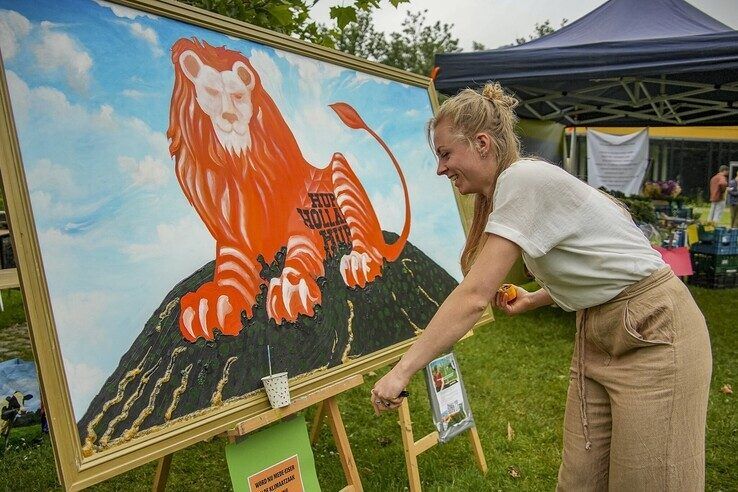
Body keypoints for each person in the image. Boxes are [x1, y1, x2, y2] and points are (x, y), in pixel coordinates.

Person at [370, 82, 712, 490]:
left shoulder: (523, 179)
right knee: (579, 482)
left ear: (482, 143)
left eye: (446, 154)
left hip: (654, 330)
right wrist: (535, 298)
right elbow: (595, 264)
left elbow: (474, 296)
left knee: (648, 481)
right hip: (598, 330)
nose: (440, 168)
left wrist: (402, 371)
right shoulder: (512, 190)